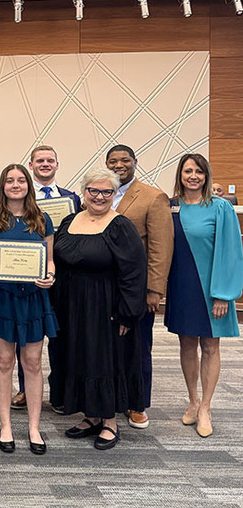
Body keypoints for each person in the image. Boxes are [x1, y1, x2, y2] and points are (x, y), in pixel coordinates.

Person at [52, 166, 147, 451]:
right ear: (84, 193)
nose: (100, 196)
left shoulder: (121, 226)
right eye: (94, 190)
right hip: (70, 304)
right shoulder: (70, 220)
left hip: (105, 306)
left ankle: (110, 421)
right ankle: (90, 415)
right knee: (77, 356)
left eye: (107, 191)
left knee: (103, 360)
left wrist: (126, 312)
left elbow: (134, 273)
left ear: (114, 194)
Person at [0, 164, 57, 455]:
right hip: (1, 296)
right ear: (2, 186)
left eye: (21, 180)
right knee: (4, 361)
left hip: (34, 297)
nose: (15, 185)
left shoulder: (42, 218)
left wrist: (50, 276)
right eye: (9, 180)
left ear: (28, 185)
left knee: (32, 362)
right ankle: (6, 424)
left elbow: (49, 260)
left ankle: (34, 427)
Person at [165, 154, 243, 438]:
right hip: (182, 285)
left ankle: (206, 407)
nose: (193, 176)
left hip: (212, 289)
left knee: (210, 346)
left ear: (206, 175)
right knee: (186, 344)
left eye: (199, 171)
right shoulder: (171, 206)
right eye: (188, 171)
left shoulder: (220, 207)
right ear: (180, 175)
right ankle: (193, 400)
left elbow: (231, 251)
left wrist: (223, 294)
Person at [106, 144, 173, 430]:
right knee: (108, 347)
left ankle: (138, 404)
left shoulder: (152, 196)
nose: (118, 165)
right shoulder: (100, 194)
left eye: (124, 160)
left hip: (137, 290)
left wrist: (154, 289)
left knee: (138, 347)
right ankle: (113, 400)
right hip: (104, 288)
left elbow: (161, 246)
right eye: (113, 161)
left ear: (135, 162)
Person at [16, 145, 81, 413]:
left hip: (63, 276)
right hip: (27, 277)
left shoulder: (73, 199)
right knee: (26, 335)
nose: (45, 164)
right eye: (39, 160)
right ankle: (23, 389)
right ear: (30, 165)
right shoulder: (19, 198)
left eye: (49, 160)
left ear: (57, 165)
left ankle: (60, 392)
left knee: (61, 335)